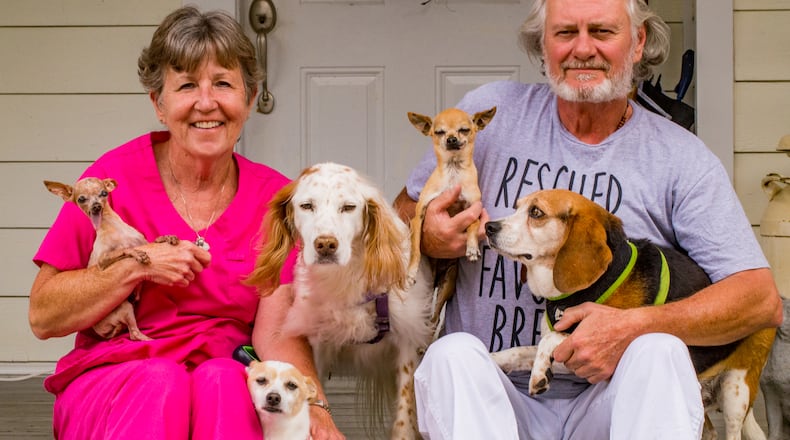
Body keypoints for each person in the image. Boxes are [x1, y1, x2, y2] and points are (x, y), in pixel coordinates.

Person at [394, 0, 784, 438]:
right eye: (565, 33)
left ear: (637, 43)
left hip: (612, 402)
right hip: (491, 394)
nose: (582, 49)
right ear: (544, 45)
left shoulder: (680, 158)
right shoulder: (487, 116)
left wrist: (632, 327)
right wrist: (425, 233)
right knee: (452, 355)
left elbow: (759, 300)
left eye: (601, 31)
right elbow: (402, 212)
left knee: (657, 351)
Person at [28, 6, 344, 440]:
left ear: (250, 100)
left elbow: (276, 335)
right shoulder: (107, 182)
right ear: (159, 103)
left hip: (228, 374)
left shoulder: (276, 200)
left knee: (223, 381)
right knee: (161, 380)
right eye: (187, 85)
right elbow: (43, 315)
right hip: (120, 375)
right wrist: (135, 265)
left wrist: (314, 407)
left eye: (223, 84)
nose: (206, 102)